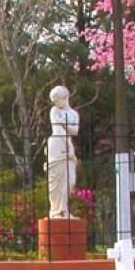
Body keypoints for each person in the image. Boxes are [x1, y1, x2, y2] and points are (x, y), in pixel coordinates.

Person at [45, 85, 79, 218]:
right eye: (54, 100)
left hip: (68, 144)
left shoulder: (73, 114)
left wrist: (62, 122)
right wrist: (66, 125)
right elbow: (58, 130)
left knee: (70, 180)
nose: (55, 103)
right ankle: (58, 211)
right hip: (57, 143)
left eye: (57, 100)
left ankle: (64, 208)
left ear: (66, 98)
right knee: (55, 179)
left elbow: (74, 131)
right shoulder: (54, 110)